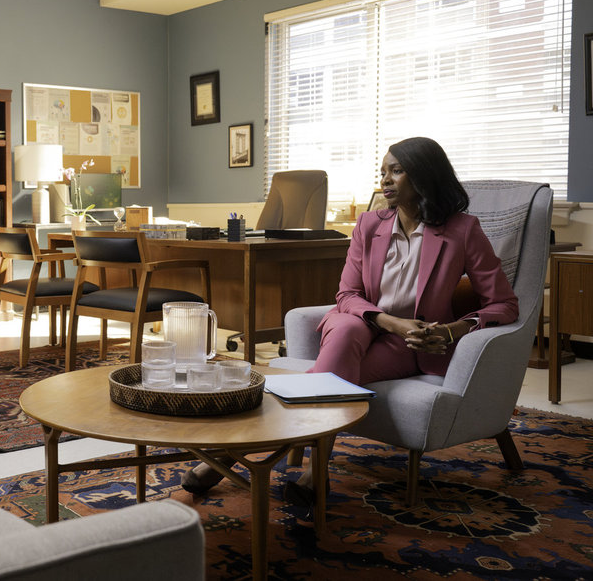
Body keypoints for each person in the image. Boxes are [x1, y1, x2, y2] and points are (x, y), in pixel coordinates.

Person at [182, 137, 518, 502]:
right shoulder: (369, 224)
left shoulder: (462, 230)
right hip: (358, 323)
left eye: (397, 171)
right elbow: (346, 295)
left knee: (330, 379)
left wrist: (454, 330)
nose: (385, 180)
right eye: (383, 172)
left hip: (406, 346)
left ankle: (228, 452)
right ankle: (314, 471)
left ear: (424, 175)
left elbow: (503, 303)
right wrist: (389, 321)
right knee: (345, 333)